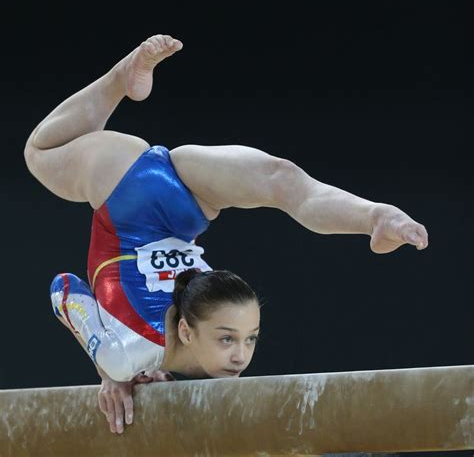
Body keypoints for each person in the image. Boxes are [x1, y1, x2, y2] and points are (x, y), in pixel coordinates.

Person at [24, 33, 428, 434]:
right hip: (160, 199)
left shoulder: (129, 350)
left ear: (186, 330)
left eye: (241, 340)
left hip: (138, 195)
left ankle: (377, 216)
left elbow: (64, 286)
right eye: (237, 339)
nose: (241, 356)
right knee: (280, 179)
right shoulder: (133, 349)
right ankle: (374, 217)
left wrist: (112, 365)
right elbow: (68, 291)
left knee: (40, 151)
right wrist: (115, 362)